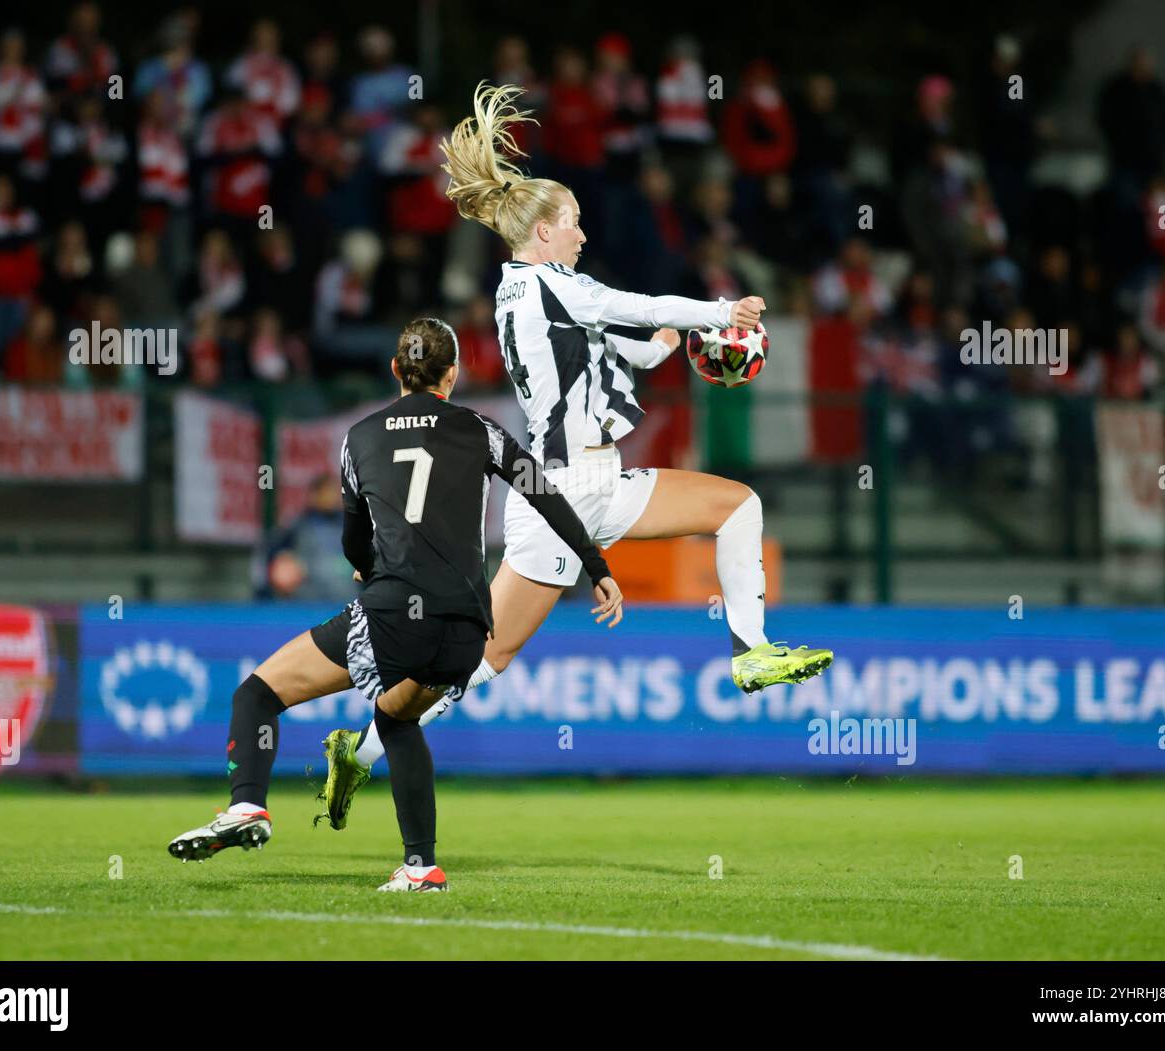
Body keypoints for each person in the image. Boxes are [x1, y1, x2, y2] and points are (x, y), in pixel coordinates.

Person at [339, 84, 834, 786]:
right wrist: (722, 311)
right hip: (560, 491)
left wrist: (665, 341)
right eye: (572, 222)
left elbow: (627, 339)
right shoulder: (548, 286)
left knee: (737, 506)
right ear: (542, 232)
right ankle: (358, 753)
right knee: (483, 659)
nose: (582, 233)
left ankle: (751, 652)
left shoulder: (542, 295)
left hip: (602, 479)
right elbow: (633, 303)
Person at [168, 317, 623, 892]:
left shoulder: (360, 437)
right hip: (466, 630)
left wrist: (365, 565)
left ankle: (246, 806)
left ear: (395, 372)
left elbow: (352, 537)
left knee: (256, 693)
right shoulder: (481, 430)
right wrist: (597, 566)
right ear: (451, 375)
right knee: (395, 716)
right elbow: (544, 494)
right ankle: (420, 867)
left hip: (393, 615)